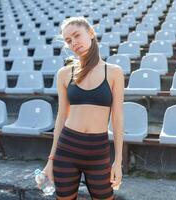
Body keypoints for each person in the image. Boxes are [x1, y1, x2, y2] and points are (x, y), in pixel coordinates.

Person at [41, 16, 124, 200]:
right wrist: (50, 161)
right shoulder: (64, 74)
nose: (73, 43)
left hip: (98, 151)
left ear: (91, 33)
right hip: (67, 149)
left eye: (77, 35)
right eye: (68, 40)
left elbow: (117, 119)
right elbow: (61, 117)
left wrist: (118, 162)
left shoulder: (114, 72)